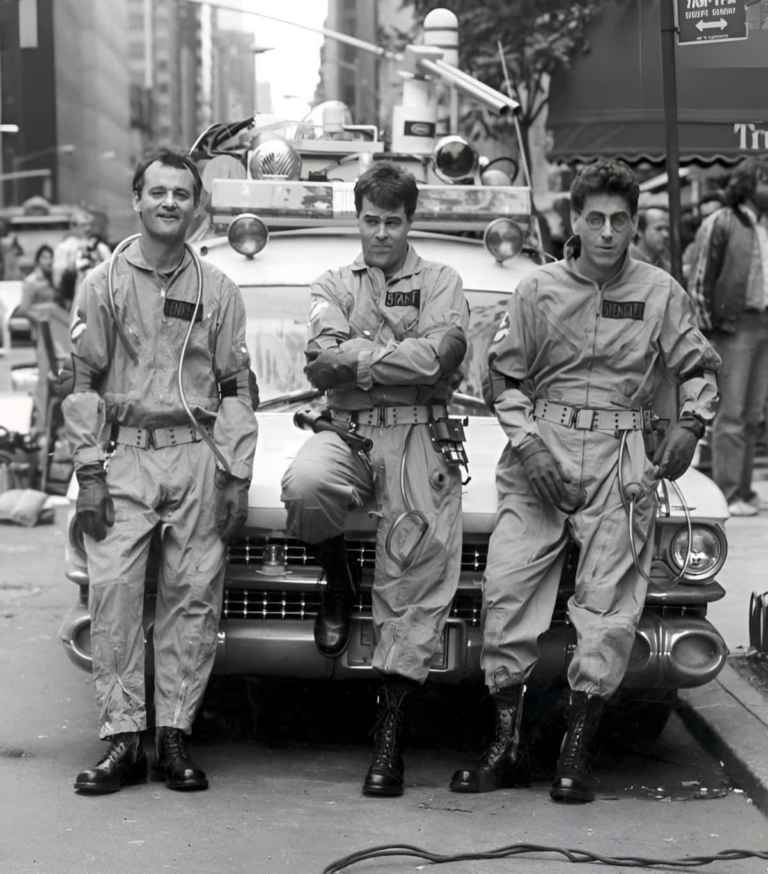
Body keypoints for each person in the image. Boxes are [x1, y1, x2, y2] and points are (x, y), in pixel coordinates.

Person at [449, 159, 720, 804]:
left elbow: (699, 366)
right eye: (593, 219)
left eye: (618, 221)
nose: (605, 232)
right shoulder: (537, 290)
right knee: (507, 590)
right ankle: (506, 748)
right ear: (574, 220)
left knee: (608, 608)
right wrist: (528, 444)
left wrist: (690, 425)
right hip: (541, 449)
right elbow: (504, 377)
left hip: (621, 459)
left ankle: (576, 755)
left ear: (633, 227)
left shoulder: (661, 292)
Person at [61, 146, 259, 795]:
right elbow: (83, 380)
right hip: (127, 456)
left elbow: (235, 388)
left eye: (181, 193)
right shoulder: (104, 284)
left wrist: (236, 474)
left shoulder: (220, 290)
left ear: (196, 204)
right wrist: (89, 471)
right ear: (138, 200)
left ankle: (174, 735)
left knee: (193, 594)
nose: (169, 203)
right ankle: (122, 741)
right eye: (158, 192)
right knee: (113, 589)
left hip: (198, 454)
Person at [280, 161, 470, 798]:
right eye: (370, 220)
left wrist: (358, 357)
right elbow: (320, 366)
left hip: (420, 434)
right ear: (356, 218)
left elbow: (443, 355)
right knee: (305, 488)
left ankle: (389, 741)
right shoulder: (332, 281)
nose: (381, 232)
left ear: (410, 221)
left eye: (393, 221)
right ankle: (338, 578)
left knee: (413, 573)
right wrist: (394, 360)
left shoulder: (443, 279)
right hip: (349, 433)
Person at [687, 157, 768, 516]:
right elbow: (701, 279)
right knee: (732, 414)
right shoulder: (720, 222)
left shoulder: (763, 225)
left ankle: (744, 490)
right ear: (749, 185)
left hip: (761, 322)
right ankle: (728, 492)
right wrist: (705, 334)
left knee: (751, 414)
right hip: (732, 327)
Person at [52, 208, 110, 293]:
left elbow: (110, 270)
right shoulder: (63, 247)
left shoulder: (101, 247)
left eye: (90, 225)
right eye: (83, 225)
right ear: (73, 227)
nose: (88, 229)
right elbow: (58, 278)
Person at [16, 244, 56, 328]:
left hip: (53, 324)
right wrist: (39, 320)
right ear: (38, 260)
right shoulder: (31, 281)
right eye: (45, 258)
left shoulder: (50, 280)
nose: (49, 261)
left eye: (51, 258)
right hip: (40, 325)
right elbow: (24, 309)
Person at [630, 207, 671, 272]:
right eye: (659, 229)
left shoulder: (668, 269)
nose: (665, 234)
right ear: (639, 231)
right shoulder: (624, 263)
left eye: (667, 229)